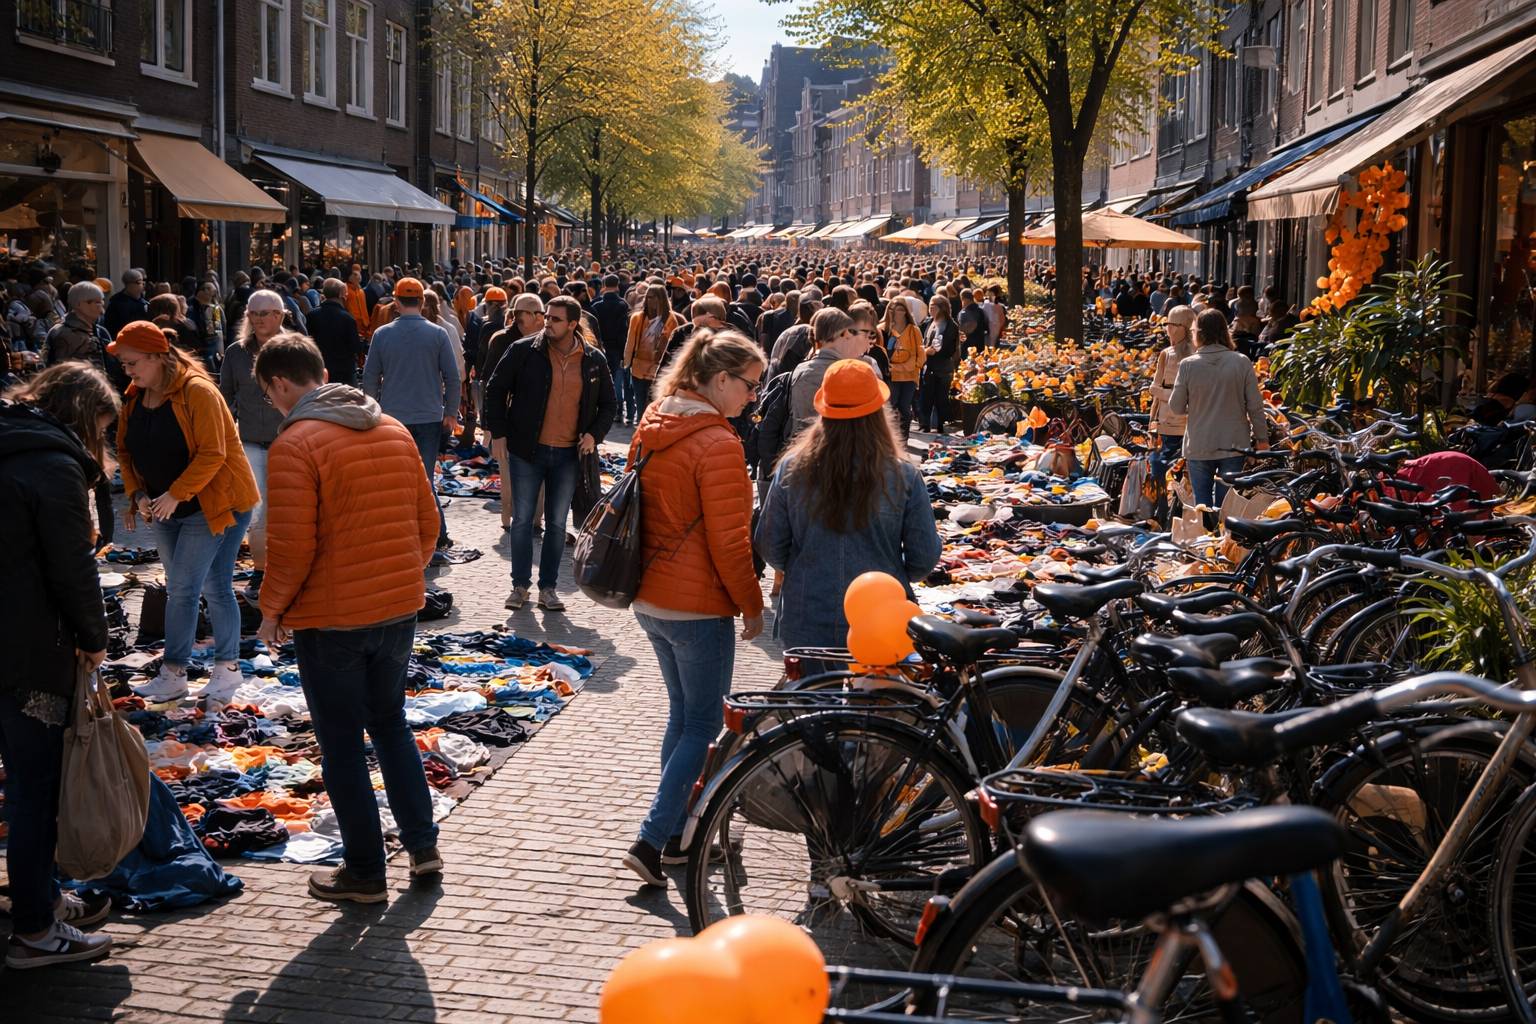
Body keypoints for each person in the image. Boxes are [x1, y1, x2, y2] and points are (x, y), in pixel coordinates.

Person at [253, 334, 443, 904]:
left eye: (268, 395)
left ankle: (364, 871)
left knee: (340, 745)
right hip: (396, 608)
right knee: (389, 724)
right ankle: (422, 844)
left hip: (333, 618)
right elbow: (427, 524)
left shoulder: (297, 443)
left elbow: (292, 547)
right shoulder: (393, 429)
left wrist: (271, 611)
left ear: (280, 384)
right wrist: (401, 575)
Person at [620, 329, 765, 886]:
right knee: (702, 723)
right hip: (697, 603)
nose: (753, 396)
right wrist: (752, 606)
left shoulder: (655, 420)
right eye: (749, 385)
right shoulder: (719, 443)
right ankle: (654, 841)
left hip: (651, 596)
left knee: (683, 717)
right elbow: (731, 544)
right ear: (720, 379)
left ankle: (677, 835)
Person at [0, 362, 119, 969]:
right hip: (26, 652)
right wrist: (94, 639)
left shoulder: (10, 439)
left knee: (20, 783)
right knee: (34, 788)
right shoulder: (54, 467)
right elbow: (72, 568)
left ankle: (37, 898)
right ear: (82, 415)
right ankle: (35, 930)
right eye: (102, 425)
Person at [114, 322, 259, 704]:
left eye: (132, 363)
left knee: (184, 588)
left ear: (156, 357)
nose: (127, 371)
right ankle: (223, 670)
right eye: (124, 364)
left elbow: (214, 452)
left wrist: (176, 494)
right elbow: (125, 452)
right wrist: (138, 494)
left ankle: (178, 671)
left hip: (217, 504)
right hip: (167, 506)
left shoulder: (198, 392)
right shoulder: (135, 396)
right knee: (208, 586)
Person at [757, 358, 941, 652]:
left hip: (807, 614)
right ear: (879, 413)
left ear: (823, 413)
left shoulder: (793, 468)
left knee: (812, 696)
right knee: (875, 697)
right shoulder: (903, 474)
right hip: (881, 617)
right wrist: (891, 572)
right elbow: (924, 556)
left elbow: (770, 545)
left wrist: (804, 566)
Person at [482, 295, 616, 612]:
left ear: (572, 324)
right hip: (527, 450)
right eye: (547, 316)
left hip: (568, 454)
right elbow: (495, 389)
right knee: (522, 520)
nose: (548, 322)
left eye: (556, 319)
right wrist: (498, 432)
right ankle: (519, 586)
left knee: (557, 524)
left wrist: (594, 435)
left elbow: (609, 405)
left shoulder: (593, 359)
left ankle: (548, 588)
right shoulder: (524, 350)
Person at [361, 278, 461, 550]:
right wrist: (451, 412)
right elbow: (452, 377)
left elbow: (370, 379)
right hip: (429, 416)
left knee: (394, 479)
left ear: (395, 302)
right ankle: (434, 533)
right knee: (425, 478)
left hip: (392, 418)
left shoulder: (382, 335)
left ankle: (403, 534)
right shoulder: (438, 334)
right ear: (422, 302)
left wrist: (371, 411)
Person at [219, 289, 288, 605]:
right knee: (257, 512)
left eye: (266, 313)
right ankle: (261, 570)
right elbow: (224, 399)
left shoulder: (294, 349)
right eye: (254, 314)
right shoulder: (236, 353)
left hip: (288, 441)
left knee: (289, 509)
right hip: (249, 443)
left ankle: (288, 568)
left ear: (280, 315)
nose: (259, 320)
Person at [1168, 309, 1269, 508]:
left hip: (1199, 444)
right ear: (1225, 332)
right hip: (1234, 444)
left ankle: (1205, 535)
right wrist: (1262, 439)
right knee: (1227, 507)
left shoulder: (1188, 365)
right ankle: (1225, 539)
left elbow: (1176, 407)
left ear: (1199, 333)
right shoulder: (1241, 362)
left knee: (1202, 506)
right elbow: (1255, 407)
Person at [788, 307, 875, 439]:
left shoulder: (801, 369)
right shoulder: (843, 372)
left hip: (802, 447)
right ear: (845, 333)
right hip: (832, 448)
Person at [1148, 305, 1195, 520]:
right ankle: (1168, 510)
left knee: (1163, 466)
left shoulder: (1177, 355)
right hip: (1179, 425)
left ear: (1180, 328)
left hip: (1177, 425)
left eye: (1170, 326)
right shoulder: (1170, 355)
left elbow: (1156, 391)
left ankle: (1166, 511)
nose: (1168, 331)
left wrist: (1160, 392)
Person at [623, 285, 681, 417]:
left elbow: (673, 346)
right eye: (647, 297)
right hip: (638, 369)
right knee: (641, 406)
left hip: (658, 370)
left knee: (655, 407)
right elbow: (630, 342)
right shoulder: (637, 318)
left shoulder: (670, 319)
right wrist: (627, 364)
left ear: (661, 299)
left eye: (653, 297)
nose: (649, 301)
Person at [305, 278, 364, 388]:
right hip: (344, 373)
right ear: (341, 294)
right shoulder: (347, 318)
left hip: (319, 368)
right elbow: (355, 347)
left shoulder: (312, 315)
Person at [591, 274, 633, 425]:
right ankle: (618, 409)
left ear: (603, 285)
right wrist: (624, 351)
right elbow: (624, 330)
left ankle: (602, 409)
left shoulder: (596, 306)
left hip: (601, 347)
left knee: (601, 378)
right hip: (617, 347)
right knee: (617, 379)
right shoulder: (623, 305)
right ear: (617, 286)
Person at [883, 296, 925, 441]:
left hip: (909, 376)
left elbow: (921, 352)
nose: (897, 312)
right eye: (893, 309)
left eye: (900, 309)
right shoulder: (883, 330)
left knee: (905, 408)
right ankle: (890, 439)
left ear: (906, 311)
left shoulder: (914, 330)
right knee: (891, 407)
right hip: (892, 376)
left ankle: (903, 438)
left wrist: (915, 366)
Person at [45, 281, 110, 371]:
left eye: (101, 302)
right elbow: (62, 372)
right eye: (97, 302)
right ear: (79, 304)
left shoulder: (100, 331)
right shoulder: (62, 333)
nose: (101, 308)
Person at [917, 293, 959, 433]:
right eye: (929, 306)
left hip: (943, 366)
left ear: (942, 308)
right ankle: (925, 424)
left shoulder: (951, 325)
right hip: (928, 364)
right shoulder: (929, 322)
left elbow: (950, 348)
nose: (930, 309)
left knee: (941, 397)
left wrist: (937, 351)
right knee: (926, 396)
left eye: (933, 306)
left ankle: (939, 424)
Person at [103, 269, 149, 339]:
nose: (143, 284)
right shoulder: (116, 303)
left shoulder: (145, 303)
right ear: (128, 284)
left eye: (143, 281)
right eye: (139, 282)